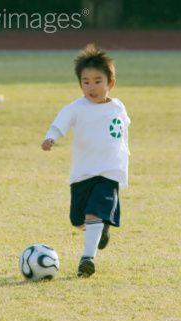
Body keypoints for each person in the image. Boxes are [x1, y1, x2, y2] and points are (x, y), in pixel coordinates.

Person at [42, 43, 131, 278]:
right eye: (86, 82)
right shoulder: (76, 108)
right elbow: (60, 122)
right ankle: (100, 230)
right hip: (82, 173)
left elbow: (122, 134)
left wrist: (122, 163)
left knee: (94, 214)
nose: (91, 87)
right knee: (79, 220)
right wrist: (50, 138)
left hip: (109, 173)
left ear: (110, 83)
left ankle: (87, 259)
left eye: (97, 81)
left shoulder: (118, 107)